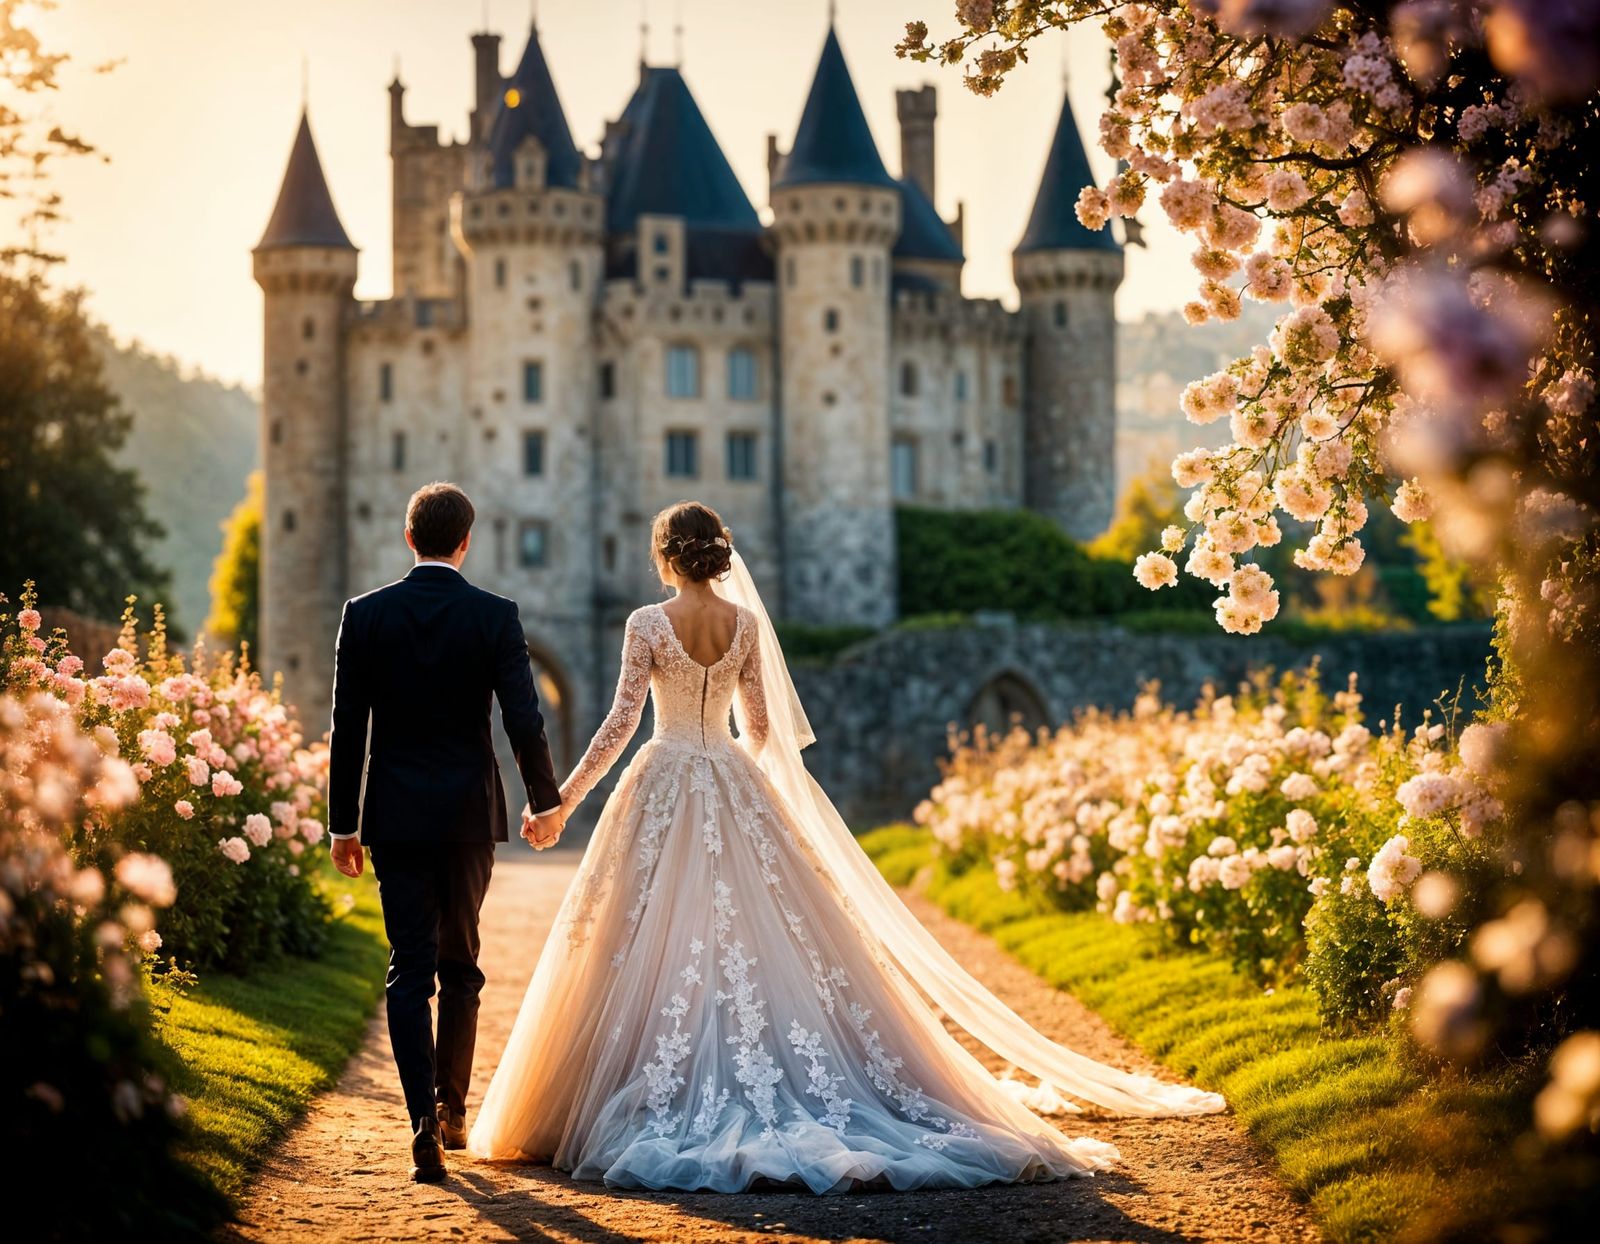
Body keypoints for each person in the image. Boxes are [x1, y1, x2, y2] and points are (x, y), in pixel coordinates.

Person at [469, 500, 1223, 1192]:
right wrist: (744, 792)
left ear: (665, 557)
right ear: (717, 556)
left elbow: (619, 725)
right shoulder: (747, 627)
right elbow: (762, 732)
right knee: (758, 940)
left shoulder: (645, 624)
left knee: (642, 938)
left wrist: (560, 802)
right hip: (729, 777)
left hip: (663, 779)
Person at [326, 481, 566, 1182]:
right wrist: (544, 801)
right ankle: (453, 1108)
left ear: (410, 538)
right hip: (467, 815)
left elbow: (348, 730)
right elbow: (525, 719)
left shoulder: (364, 615)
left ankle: (421, 1124)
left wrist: (343, 824)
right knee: (460, 965)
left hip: (394, 815)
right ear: (466, 541)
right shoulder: (494, 615)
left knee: (409, 968)